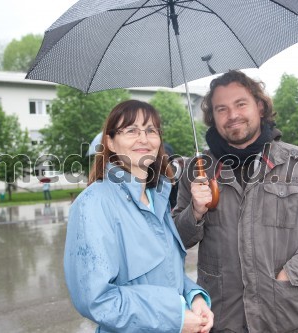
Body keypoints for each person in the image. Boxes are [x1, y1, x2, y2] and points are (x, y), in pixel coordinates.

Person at [172, 71, 298, 333]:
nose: (232, 115)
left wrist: (292, 273)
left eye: (241, 104)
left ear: (260, 106)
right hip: (220, 320)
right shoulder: (196, 171)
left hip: (283, 318)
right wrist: (195, 212)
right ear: (213, 117)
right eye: (222, 109)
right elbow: (178, 239)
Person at [64, 100, 213, 333]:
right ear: (111, 142)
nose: (144, 138)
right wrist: (175, 317)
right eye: (132, 130)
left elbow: (166, 272)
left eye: (151, 130)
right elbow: (97, 300)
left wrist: (194, 298)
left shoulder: (158, 199)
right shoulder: (93, 204)